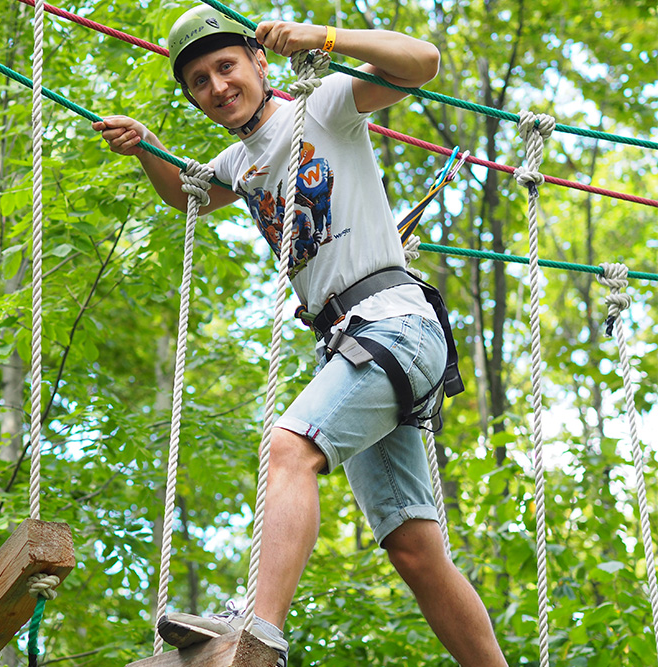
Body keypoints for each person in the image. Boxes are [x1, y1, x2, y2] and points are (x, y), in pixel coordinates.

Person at [93, 6, 507, 667]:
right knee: (413, 549)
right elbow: (186, 194)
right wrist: (144, 145)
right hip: (356, 341)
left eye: (226, 66)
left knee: (289, 447)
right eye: (199, 81)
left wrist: (321, 39)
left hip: (392, 322)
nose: (217, 86)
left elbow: (421, 61)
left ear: (259, 63)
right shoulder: (238, 159)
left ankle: (258, 633)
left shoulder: (322, 105)